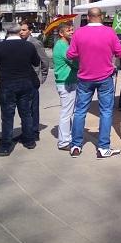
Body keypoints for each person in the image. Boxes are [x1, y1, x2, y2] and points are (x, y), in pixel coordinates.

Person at [66, 7, 121, 158]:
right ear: (102, 17)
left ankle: (76, 146)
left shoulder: (79, 32)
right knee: (105, 112)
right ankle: (103, 148)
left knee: (80, 111)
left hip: (85, 78)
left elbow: (70, 54)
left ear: (87, 17)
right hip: (105, 77)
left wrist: (83, 53)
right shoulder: (109, 32)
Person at [0, 23, 40, 156]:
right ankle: (29, 140)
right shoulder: (28, 46)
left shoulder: (0, 47)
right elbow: (36, 62)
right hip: (26, 83)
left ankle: (5, 145)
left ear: (6, 32)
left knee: (7, 115)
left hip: (8, 84)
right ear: (18, 32)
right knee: (26, 113)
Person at [19, 22, 49, 141]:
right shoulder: (19, 43)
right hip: (22, 79)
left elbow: (44, 61)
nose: (21, 32)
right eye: (20, 30)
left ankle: (34, 131)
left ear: (30, 31)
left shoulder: (35, 43)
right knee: (23, 107)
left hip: (33, 79)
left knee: (33, 107)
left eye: (24, 30)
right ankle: (26, 131)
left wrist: (42, 77)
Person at [52, 22, 77, 151]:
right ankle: (64, 142)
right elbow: (74, 61)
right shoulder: (62, 45)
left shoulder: (64, 44)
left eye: (72, 30)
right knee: (66, 113)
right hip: (66, 82)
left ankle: (68, 138)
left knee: (68, 112)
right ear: (61, 33)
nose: (72, 32)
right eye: (69, 30)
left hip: (68, 81)